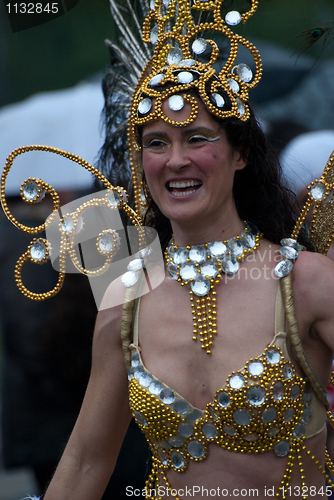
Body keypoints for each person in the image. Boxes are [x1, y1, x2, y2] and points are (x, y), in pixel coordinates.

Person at [1, 0, 334, 498]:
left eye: (196, 138)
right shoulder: (127, 295)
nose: (175, 160)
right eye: (155, 143)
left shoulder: (305, 281)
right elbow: (87, 460)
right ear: (139, 162)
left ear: (241, 152)